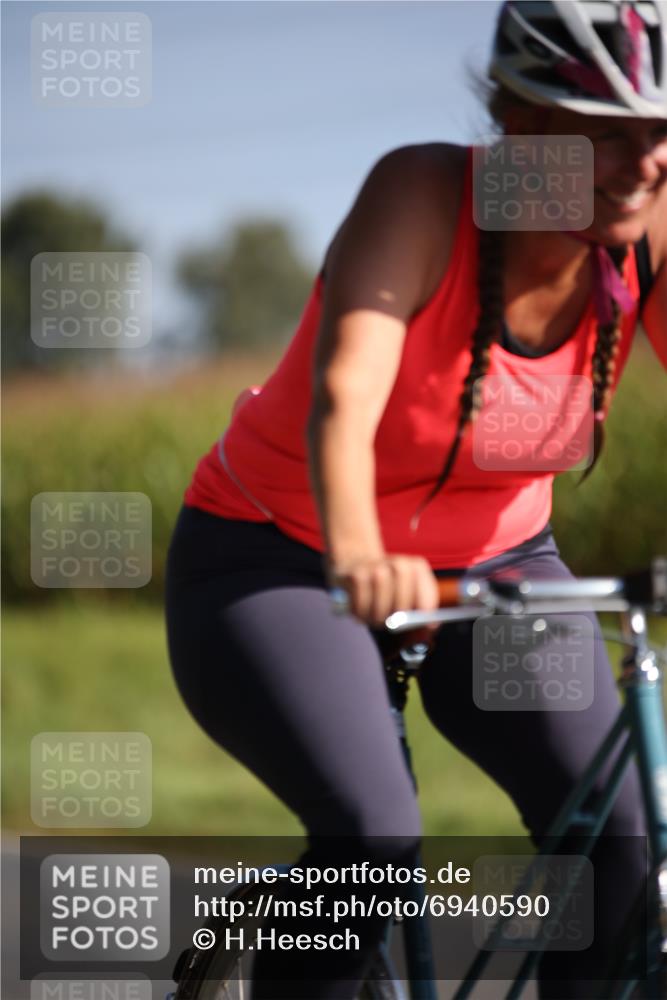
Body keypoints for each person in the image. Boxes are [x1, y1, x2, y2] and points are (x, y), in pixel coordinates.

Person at [165, 2, 667, 997]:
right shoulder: (424, 193)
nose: (644, 161)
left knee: (621, 842)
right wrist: (355, 546)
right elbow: (344, 393)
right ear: (521, 122)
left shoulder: (648, 230)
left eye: (661, 132)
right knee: (372, 838)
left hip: (499, 567)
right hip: (281, 553)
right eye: (608, 131)